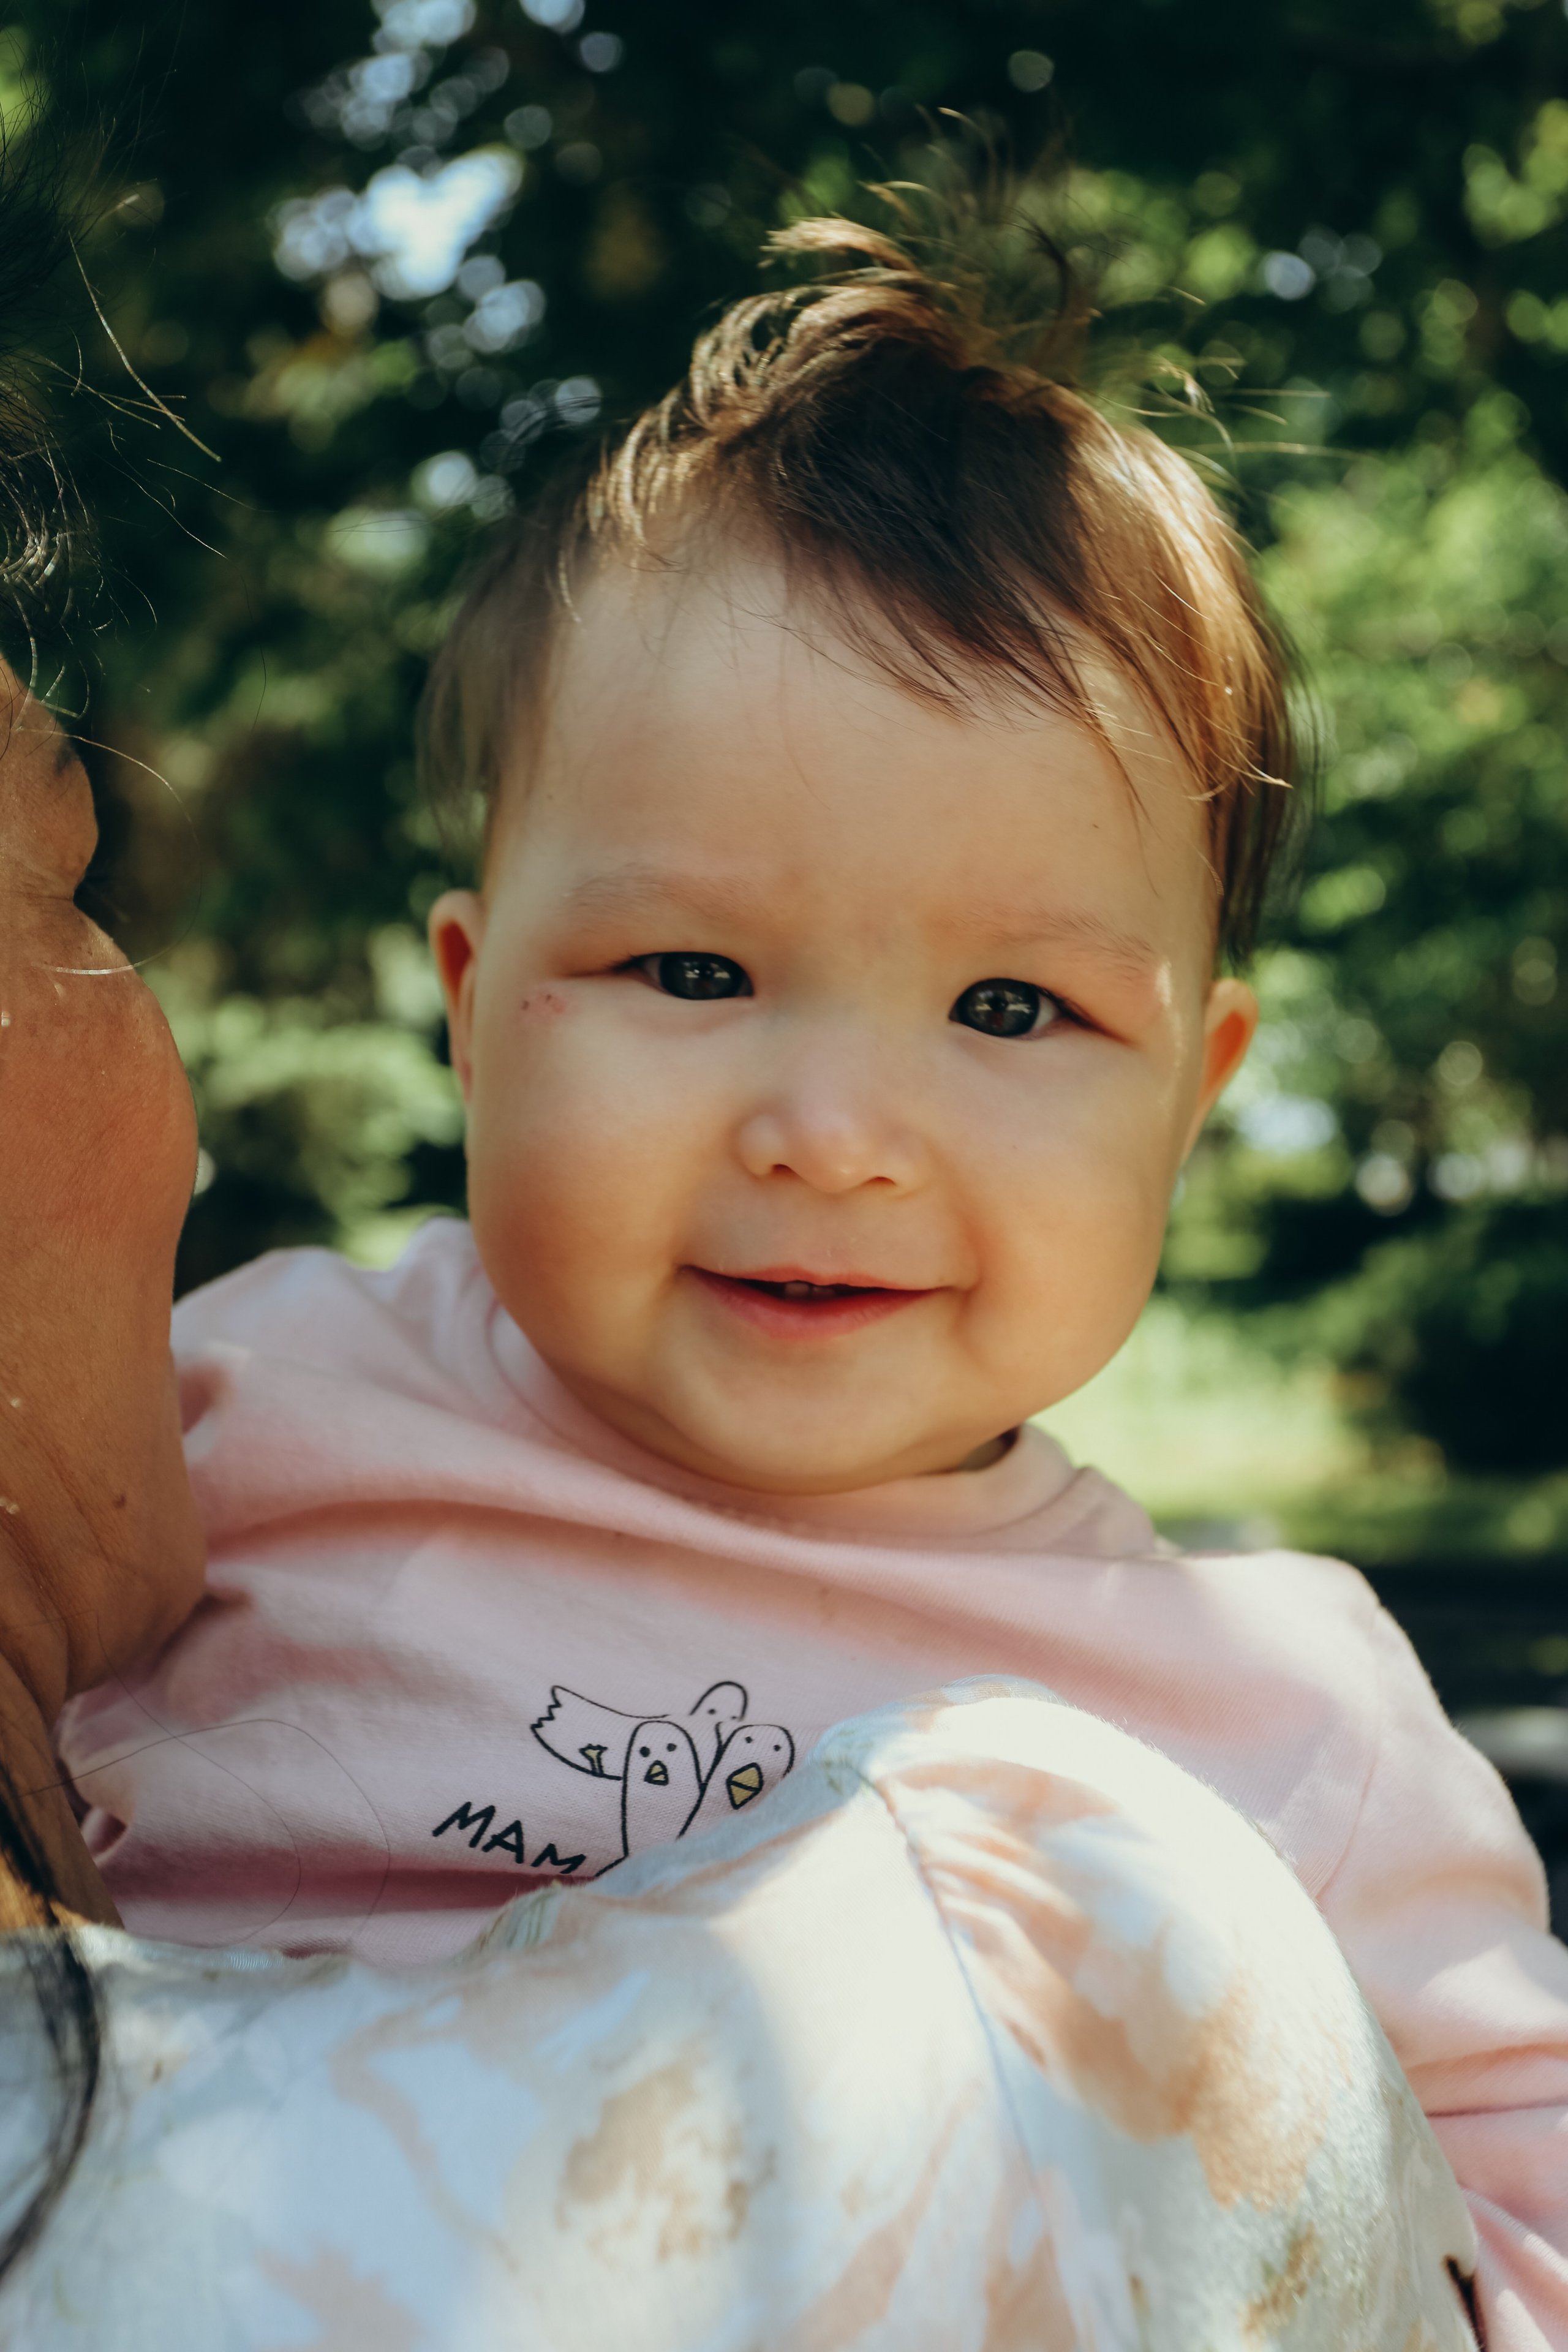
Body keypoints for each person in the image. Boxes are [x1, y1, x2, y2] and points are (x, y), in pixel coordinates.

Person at [45, 195, 1568, 2343]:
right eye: (692, 969)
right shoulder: (239, 1414)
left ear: (1194, 1095)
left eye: (1014, 1013)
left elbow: (1512, 2233)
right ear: (472, 1014)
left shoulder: (1280, 1719)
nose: (833, 1134)